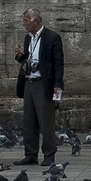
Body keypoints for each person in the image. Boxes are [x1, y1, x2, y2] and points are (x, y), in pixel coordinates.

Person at [16, 9, 63, 166]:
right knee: (29, 120)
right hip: (29, 81)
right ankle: (30, 154)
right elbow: (29, 61)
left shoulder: (52, 38)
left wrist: (58, 84)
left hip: (44, 83)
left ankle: (49, 154)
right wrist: (21, 57)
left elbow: (58, 63)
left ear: (36, 21)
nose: (24, 23)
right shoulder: (28, 38)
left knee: (46, 121)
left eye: (26, 20)